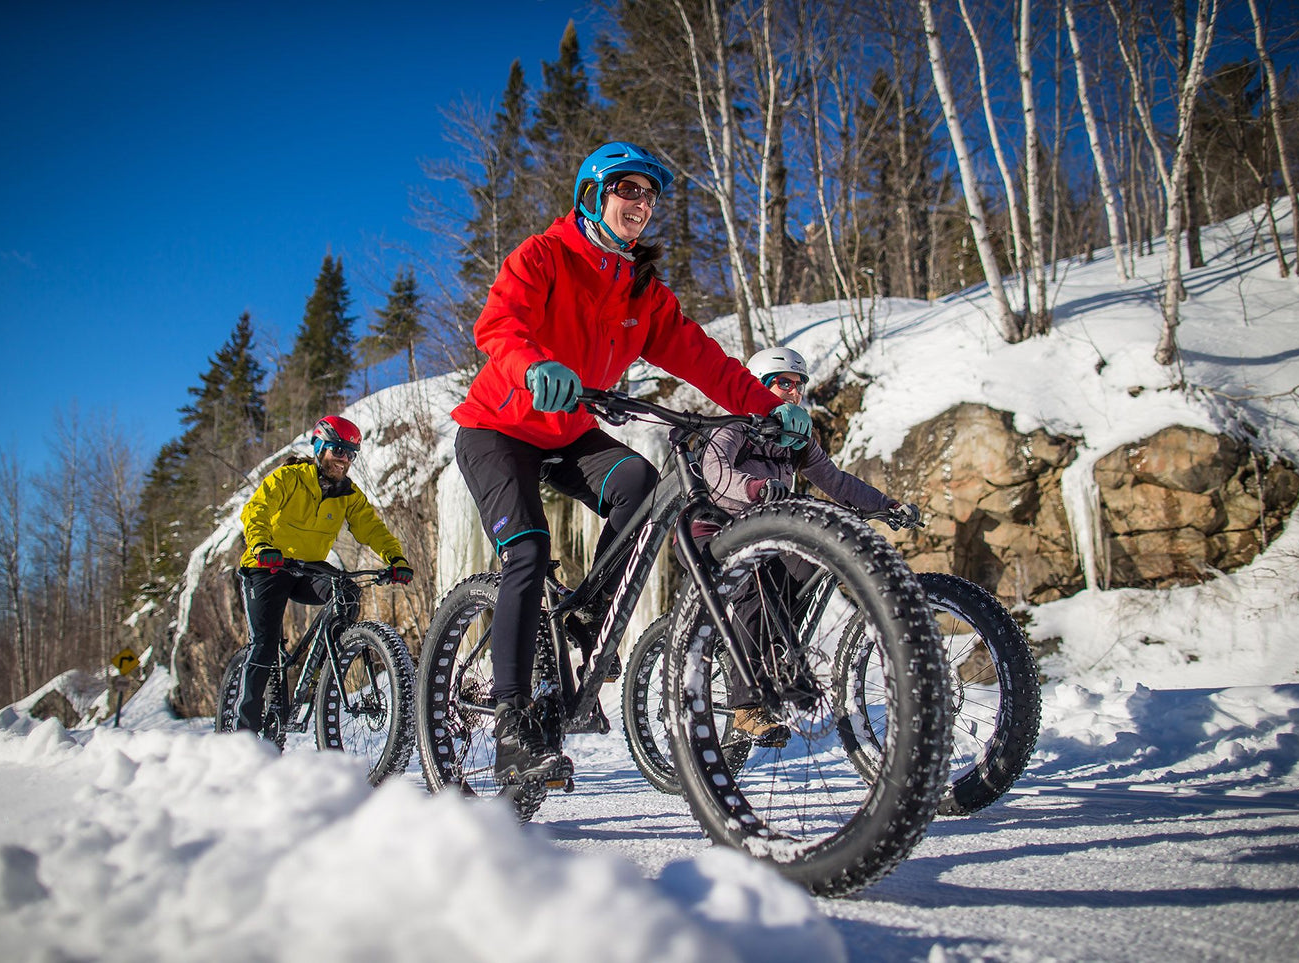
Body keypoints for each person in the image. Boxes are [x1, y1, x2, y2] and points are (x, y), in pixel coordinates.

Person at [450, 141, 813, 787]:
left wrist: (765, 408)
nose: (639, 203)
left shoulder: (641, 290)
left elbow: (704, 360)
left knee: (640, 485)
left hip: (570, 432)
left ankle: (592, 614)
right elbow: (498, 324)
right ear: (593, 194)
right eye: (626, 188)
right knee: (528, 554)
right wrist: (534, 366)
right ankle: (510, 724)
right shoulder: (543, 255)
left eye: (648, 194)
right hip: (498, 429)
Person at [696, 346, 917, 747]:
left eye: (800, 385)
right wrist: (755, 488)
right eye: (785, 383)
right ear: (760, 385)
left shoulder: (797, 437)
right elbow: (716, 473)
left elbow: (835, 481)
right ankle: (747, 706)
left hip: (761, 530)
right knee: (758, 580)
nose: (794, 392)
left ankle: (780, 661)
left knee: (803, 571)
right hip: (711, 526)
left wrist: (886, 506)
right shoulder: (734, 425)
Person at [234, 414, 413, 733]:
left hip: (308, 568)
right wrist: (262, 545)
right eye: (337, 450)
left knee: (346, 593)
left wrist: (395, 558)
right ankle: (242, 731)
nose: (343, 459)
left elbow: (371, 528)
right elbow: (256, 510)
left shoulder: (348, 494)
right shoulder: (289, 478)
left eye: (350, 453)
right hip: (267, 565)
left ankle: (323, 671)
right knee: (264, 643)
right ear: (319, 447)